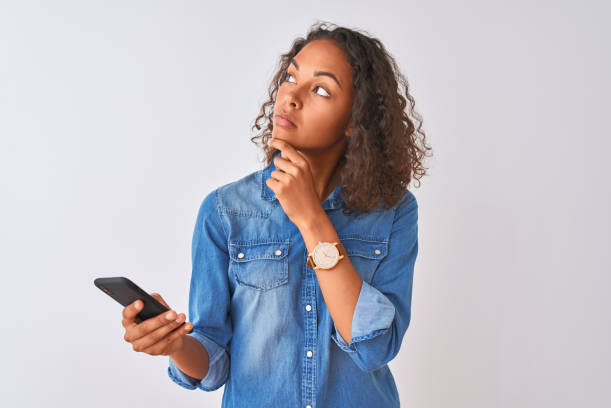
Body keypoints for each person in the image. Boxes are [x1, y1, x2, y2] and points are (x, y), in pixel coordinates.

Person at [120, 20, 432, 407]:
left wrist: (311, 219)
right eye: (290, 77)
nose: (291, 97)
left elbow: (374, 347)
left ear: (355, 121)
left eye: (320, 89)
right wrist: (174, 343)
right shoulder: (224, 212)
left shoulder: (394, 212)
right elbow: (213, 359)